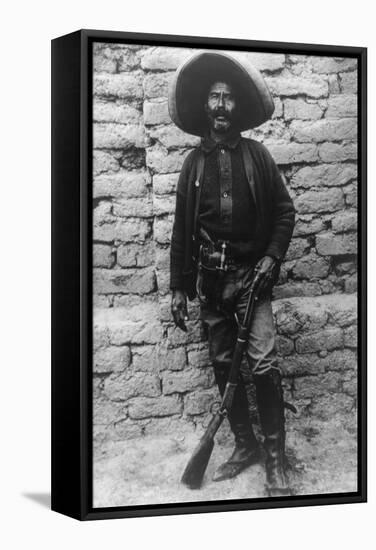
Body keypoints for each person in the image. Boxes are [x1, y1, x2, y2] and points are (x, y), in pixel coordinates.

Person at [168, 51, 296, 497]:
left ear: (236, 107)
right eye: (214, 98)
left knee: (264, 364)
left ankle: (276, 458)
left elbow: (284, 212)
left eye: (227, 98)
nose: (221, 105)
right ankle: (245, 446)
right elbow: (182, 230)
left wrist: (270, 259)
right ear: (205, 108)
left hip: (251, 280)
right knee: (225, 366)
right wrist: (178, 288)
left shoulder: (257, 156)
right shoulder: (193, 163)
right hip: (210, 284)